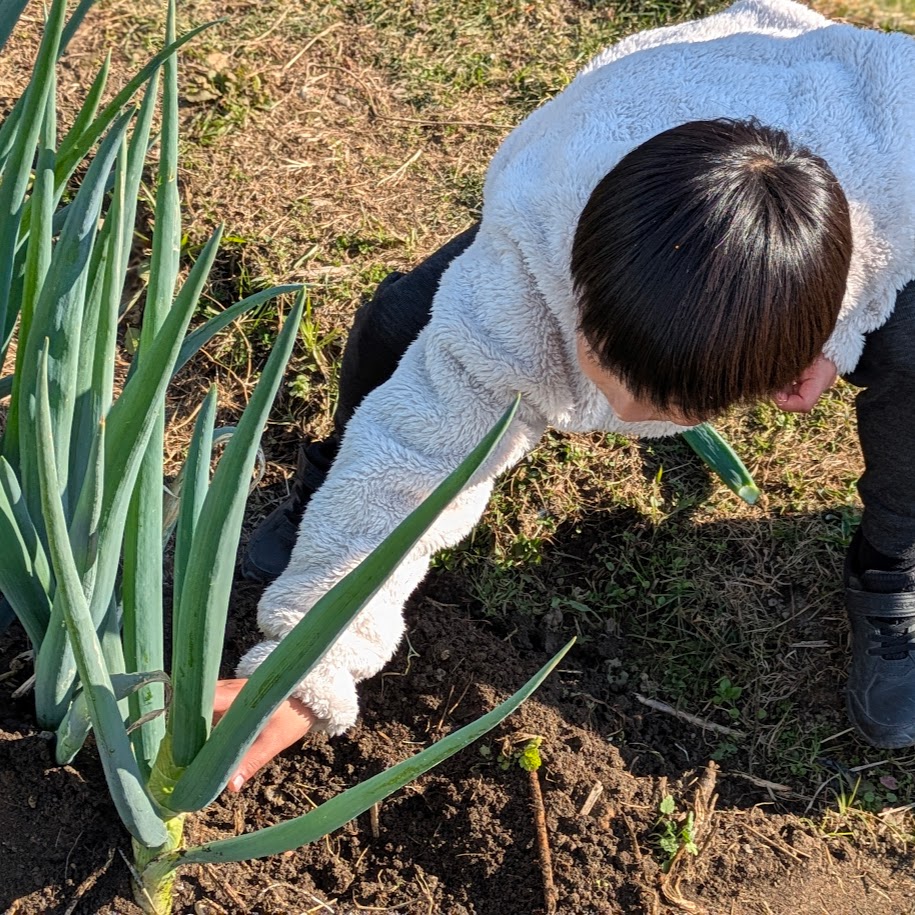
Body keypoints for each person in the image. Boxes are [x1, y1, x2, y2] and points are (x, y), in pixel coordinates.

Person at [215, 0, 915, 792]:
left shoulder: (899, 153)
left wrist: (844, 328)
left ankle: (893, 560)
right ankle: (324, 487)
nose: (623, 414)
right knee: (400, 325)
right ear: (576, 290)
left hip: (850, 124)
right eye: (598, 361)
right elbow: (410, 463)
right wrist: (302, 673)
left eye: (671, 408)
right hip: (644, 123)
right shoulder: (530, 259)